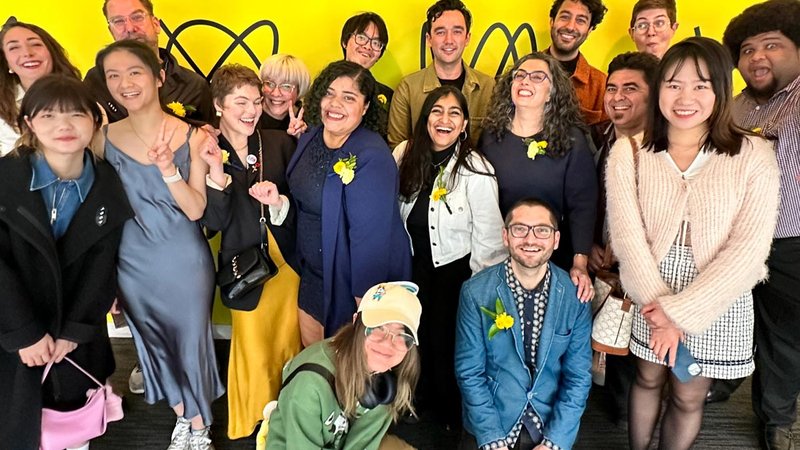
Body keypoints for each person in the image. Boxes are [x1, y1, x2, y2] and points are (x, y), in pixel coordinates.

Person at [605, 37, 781, 450]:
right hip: (650, 285)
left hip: (718, 292)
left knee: (688, 392)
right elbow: (627, 237)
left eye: (701, 85)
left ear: (720, 89)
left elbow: (750, 249)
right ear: (658, 90)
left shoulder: (753, 154)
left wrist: (680, 315)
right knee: (647, 378)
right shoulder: (628, 152)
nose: (685, 97)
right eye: (673, 84)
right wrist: (660, 310)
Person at [95, 39, 224, 450]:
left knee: (190, 344)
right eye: (112, 76)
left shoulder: (192, 135)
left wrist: (170, 170)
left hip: (183, 260)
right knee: (154, 347)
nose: (124, 83)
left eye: (134, 71)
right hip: (131, 264)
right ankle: (183, 415)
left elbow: (196, 209)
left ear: (158, 76)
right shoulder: (102, 139)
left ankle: (200, 425)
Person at [0, 75, 132, 450]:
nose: (64, 126)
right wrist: (22, 332)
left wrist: (75, 330)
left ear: (95, 120)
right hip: (13, 329)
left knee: (73, 426)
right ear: (29, 123)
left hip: (76, 333)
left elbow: (102, 265)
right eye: (48, 116)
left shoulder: (107, 183)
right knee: (16, 424)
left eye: (76, 114)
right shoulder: (5, 179)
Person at [393, 85, 505, 429]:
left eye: (454, 113)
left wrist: (481, 290)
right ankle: (413, 400)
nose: (444, 119)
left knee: (446, 344)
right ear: (425, 118)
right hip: (410, 266)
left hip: (455, 272)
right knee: (413, 339)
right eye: (436, 111)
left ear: (465, 123)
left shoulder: (476, 168)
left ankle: (450, 415)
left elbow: (488, 236)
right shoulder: (403, 154)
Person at [202, 64, 301, 440]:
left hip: (285, 262)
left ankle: (289, 419)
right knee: (253, 349)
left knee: (288, 343)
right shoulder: (210, 151)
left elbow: (299, 204)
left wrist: (278, 202)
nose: (251, 110)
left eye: (256, 101)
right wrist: (216, 174)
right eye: (240, 101)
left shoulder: (277, 143)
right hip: (243, 268)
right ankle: (251, 423)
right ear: (219, 106)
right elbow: (213, 222)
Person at [286, 60, 411, 346]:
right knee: (316, 364)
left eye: (349, 97)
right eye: (329, 93)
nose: (335, 103)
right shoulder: (311, 136)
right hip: (312, 277)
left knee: (347, 374)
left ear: (365, 107)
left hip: (347, 287)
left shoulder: (372, 157)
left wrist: (365, 307)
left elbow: (371, 241)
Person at [455, 197, 592, 450]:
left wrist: (555, 442)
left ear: (556, 239)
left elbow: (578, 377)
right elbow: (469, 372)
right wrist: (493, 439)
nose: (530, 240)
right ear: (506, 236)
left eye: (542, 230)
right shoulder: (476, 292)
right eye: (520, 229)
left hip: (549, 422)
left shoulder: (576, 296)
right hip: (493, 419)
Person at [723, 1, 800, 447]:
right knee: (732, 320)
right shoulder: (735, 108)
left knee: (784, 336)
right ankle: (726, 379)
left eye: (772, 45)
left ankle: (776, 420)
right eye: (748, 49)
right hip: (735, 242)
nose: (757, 57)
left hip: (789, 242)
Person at [481, 52, 597, 304]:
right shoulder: (491, 137)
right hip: (499, 255)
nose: (525, 81)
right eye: (519, 76)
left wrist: (579, 263)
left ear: (552, 92)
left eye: (537, 77)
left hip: (552, 256)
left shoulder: (572, 140)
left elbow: (583, 205)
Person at [588, 51, 659, 424]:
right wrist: (590, 245)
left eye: (630, 88)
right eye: (612, 88)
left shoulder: (663, 148)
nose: (617, 96)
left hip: (647, 270)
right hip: (603, 262)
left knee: (640, 370)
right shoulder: (599, 137)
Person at [266, 281, 421, 449]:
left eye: (402, 335)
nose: (387, 343)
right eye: (378, 328)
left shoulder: (386, 382)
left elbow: (362, 445)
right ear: (356, 322)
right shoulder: (310, 384)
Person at [84, 0, 213, 123]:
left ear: (156, 24)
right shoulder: (96, 81)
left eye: (137, 17)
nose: (129, 28)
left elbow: (209, 138)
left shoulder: (193, 86)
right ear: (111, 31)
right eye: (118, 21)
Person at [388, 0, 494, 149]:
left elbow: (495, 144)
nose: (448, 40)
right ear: (429, 39)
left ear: (467, 38)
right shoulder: (408, 88)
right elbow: (397, 148)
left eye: (457, 31)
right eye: (440, 32)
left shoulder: (488, 87)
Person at [0, 21, 81, 156]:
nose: (27, 53)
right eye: (14, 48)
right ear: (6, 62)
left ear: (51, 52)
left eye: (35, 44)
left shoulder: (84, 98)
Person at [546, 0, 609, 125]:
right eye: (565, 17)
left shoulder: (601, 85)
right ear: (552, 22)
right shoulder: (524, 73)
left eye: (580, 20)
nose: (570, 26)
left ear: (589, 30)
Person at [340, 12, 394, 106]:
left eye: (376, 43)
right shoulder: (324, 84)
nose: (368, 46)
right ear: (345, 41)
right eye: (361, 38)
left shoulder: (387, 96)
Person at [257, 53, 309, 136]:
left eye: (286, 86)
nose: (276, 93)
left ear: (299, 90)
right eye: (269, 84)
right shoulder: (249, 116)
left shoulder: (308, 122)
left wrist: (302, 138)